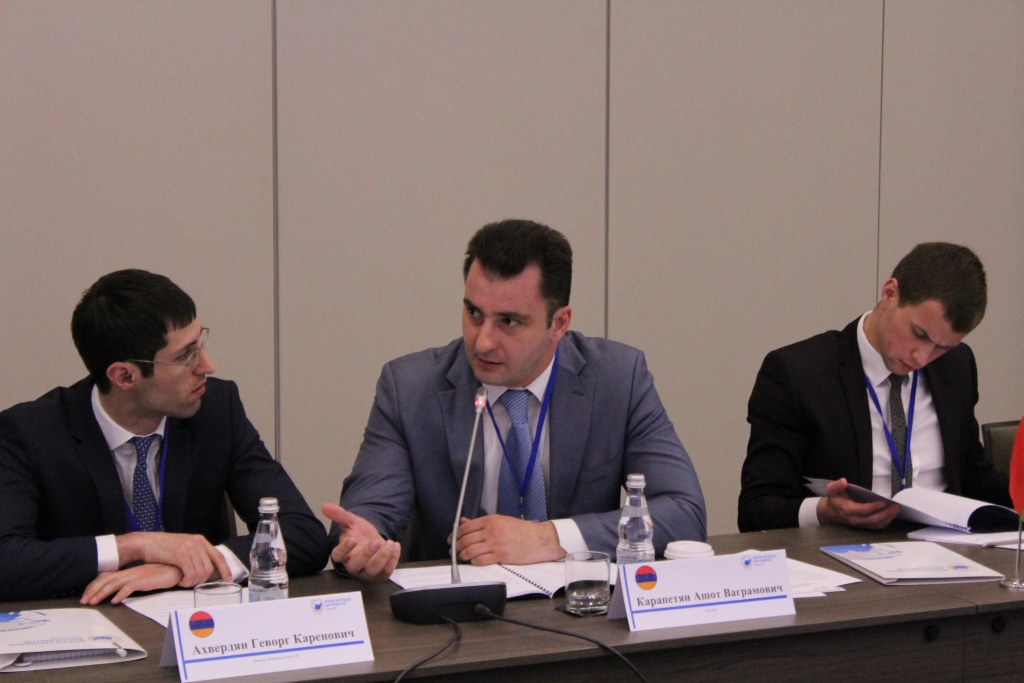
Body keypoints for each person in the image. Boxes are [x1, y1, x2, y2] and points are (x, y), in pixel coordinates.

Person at [325, 219, 706, 581]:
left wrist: (548, 538)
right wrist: (364, 544)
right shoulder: (410, 387)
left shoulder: (617, 380)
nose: (483, 342)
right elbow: (370, 511)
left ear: (558, 323)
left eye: (508, 322)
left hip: (580, 607)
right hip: (455, 611)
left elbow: (684, 513)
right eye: (474, 313)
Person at [0, 269, 329, 603]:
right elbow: (5, 560)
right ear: (125, 376)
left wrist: (192, 567)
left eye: (200, 344)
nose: (207, 366)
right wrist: (134, 546)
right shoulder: (29, 433)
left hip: (198, 622)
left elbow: (304, 535)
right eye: (185, 356)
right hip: (89, 624)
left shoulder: (217, 410)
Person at [739, 242, 1010, 532]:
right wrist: (824, 511)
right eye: (918, 334)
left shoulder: (956, 366)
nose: (922, 358)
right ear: (890, 294)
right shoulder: (798, 374)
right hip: (844, 549)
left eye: (942, 347)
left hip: (947, 549)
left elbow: (973, 478)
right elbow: (756, 510)